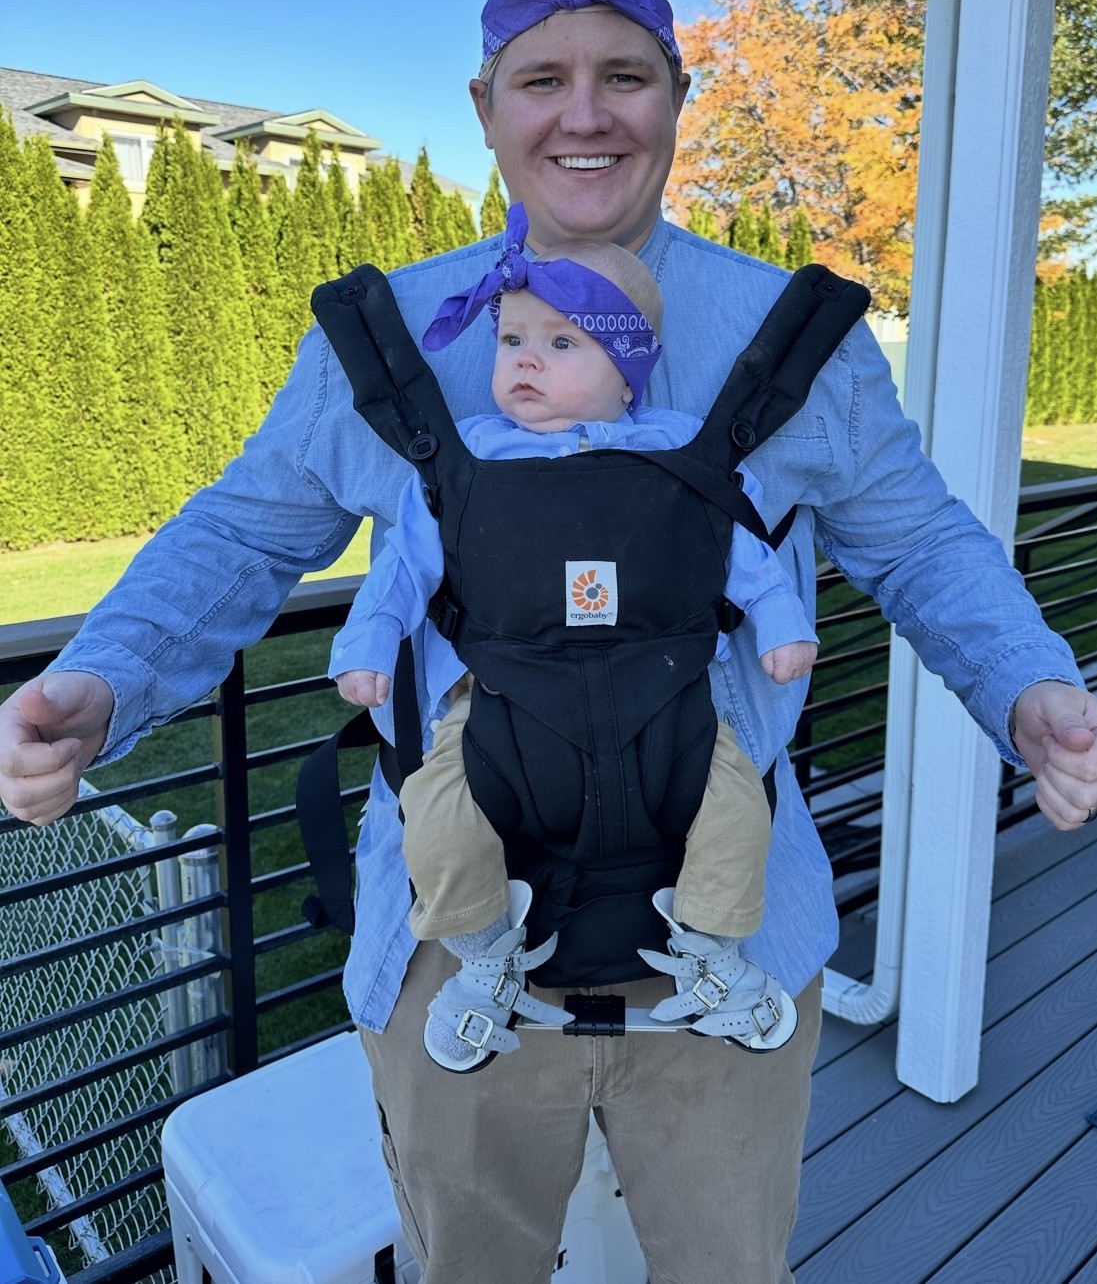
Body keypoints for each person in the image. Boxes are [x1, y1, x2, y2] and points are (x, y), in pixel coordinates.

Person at [0, 0, 1097, 1284]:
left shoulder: (796, 337)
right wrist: (109, 676)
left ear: (675, 98)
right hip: (454, 942)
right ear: (486, 108)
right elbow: (244, 532)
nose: (584, 113)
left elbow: (922, 546)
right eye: (541, 77)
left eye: (625, 75)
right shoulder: (393, 333)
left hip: (728, 941)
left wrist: (1028, 684)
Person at [329, 213, 817, 1069]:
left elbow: (748, 557)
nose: (523, 359)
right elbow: (401, 571)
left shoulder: (677, 454)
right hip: (502, 709)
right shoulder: (471, 457)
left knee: (739, 809)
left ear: (626, 372)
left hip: (672, 708)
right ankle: (485, 953)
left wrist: (780, 624)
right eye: (512, 337)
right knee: (435, 817)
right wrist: (367, 643)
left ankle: (710, 946)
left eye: (562, 343)